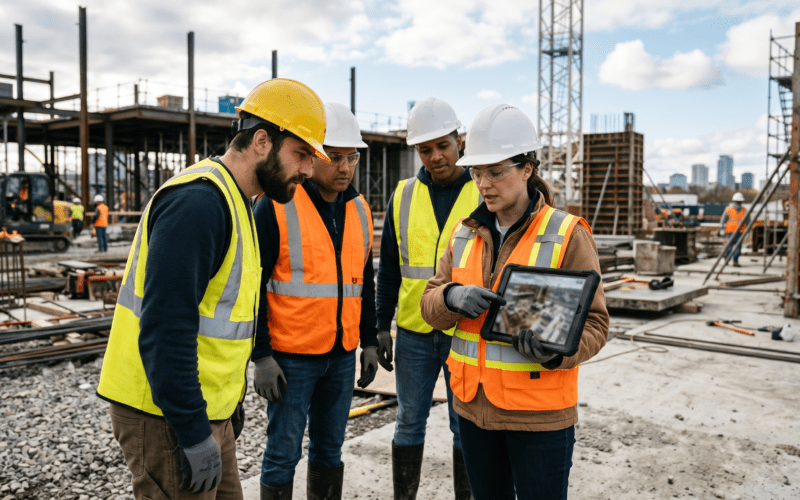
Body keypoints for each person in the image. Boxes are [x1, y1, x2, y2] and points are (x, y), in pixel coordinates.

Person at [97, 78, 329, 500]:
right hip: (164, 416)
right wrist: (191, 429)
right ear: (262, 141)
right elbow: (167, 329)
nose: (309, 169)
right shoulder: (199, 204)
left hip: (203, 414)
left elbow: (220, 319)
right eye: (301, 154)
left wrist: (227, 407)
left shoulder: (239, 201)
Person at [420, 104, 610, 500]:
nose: (483, 184)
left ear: (527, 169)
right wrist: (451, 297)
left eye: (495, 171)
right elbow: (430, 304)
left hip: (539, 418)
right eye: (476, 173)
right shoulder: (464, 234)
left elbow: (596, 324)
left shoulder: (566, 234)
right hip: (474, 410)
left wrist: (558, 353)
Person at [253, 102, 392, 500]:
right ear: (312, 156)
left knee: (330, 451)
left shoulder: (360, 210)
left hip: (340, 357)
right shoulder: (276, 203)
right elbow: (253, 287)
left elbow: (364, 281)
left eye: (352, 157)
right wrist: (260, 355)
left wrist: (367, 340)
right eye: (334, 157)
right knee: (282, 454)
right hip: (290, 359)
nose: (345, 167)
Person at [376, 97, 480, 499]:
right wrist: (380, 325)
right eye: (425, 149)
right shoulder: (402, 196)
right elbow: (388, 269)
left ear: (460, 140)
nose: (435, 157)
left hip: (465, 333)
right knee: (408, 421)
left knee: (464, 424)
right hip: (414, 334)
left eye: (443, 146)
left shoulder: (481, 192)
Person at [719, 192, 748, 267]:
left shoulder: (744, 210)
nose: (739, 202)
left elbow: (748, 221)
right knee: (730, 246)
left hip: (740, 231)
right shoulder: (728, 209)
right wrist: (721, 228)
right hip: (731, 231)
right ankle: (728, 259)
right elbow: (723, 220)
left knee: (737, 246)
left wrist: (748, 229)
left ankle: (735, 261)